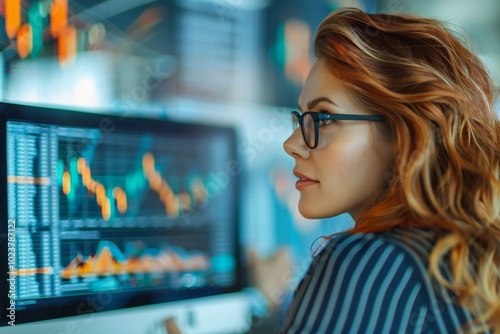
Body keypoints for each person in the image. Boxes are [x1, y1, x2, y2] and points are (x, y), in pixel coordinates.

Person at [281, 7, 500, 334]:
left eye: (324, 119)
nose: (292, 143)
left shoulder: (363, 261)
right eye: (302, 118)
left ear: (405, 136)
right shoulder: (468, 262)